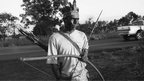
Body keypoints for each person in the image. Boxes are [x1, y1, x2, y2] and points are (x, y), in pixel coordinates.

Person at [47, 0, 89, 81]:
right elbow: (53, 61)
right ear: (65, 20)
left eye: (77, 19)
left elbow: (85, 52)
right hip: (66, 77)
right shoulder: (54, 38)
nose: (76, 22)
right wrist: (59, 77)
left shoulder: (82, 35)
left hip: (82, 76)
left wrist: (85, 56)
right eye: (73, 19)